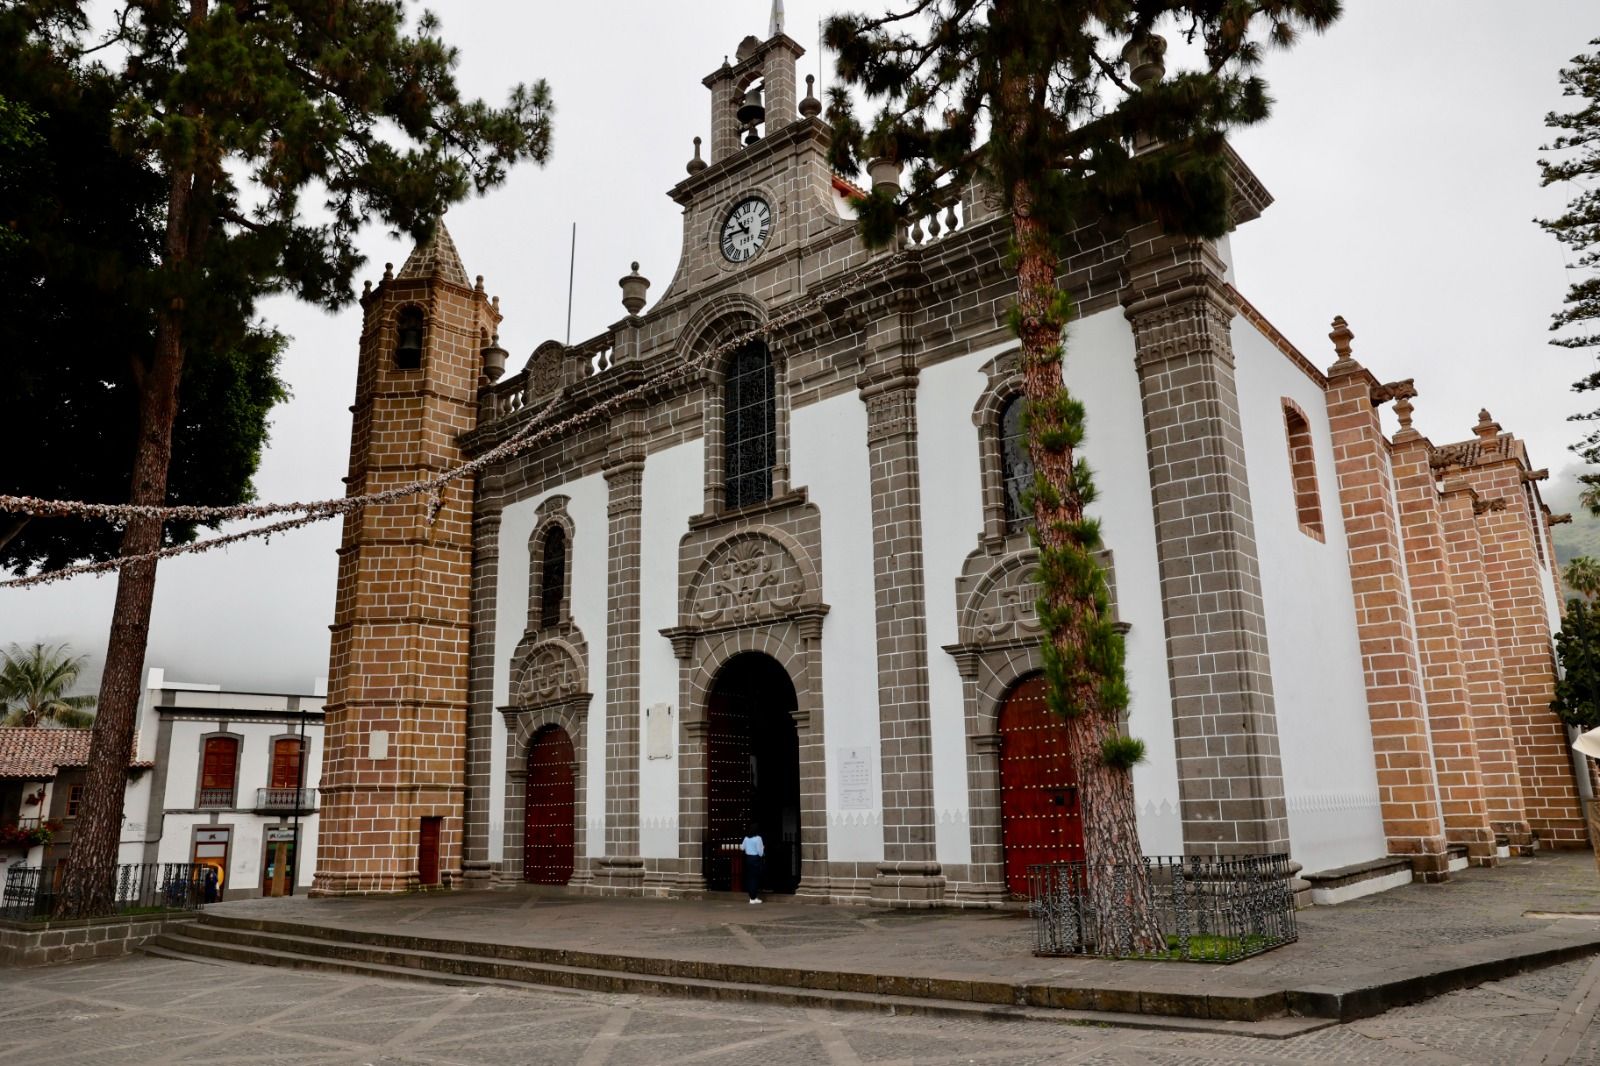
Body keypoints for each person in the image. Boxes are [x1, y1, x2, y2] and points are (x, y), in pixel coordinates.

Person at [740, 821, 764, 904]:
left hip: (748, 858)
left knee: (750, 878)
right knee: (755, 878)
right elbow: (760, 852)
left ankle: (752, 896)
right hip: (755, 859)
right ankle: (753, 897)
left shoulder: (746, 838)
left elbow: (742, 848)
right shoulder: (758, 838)